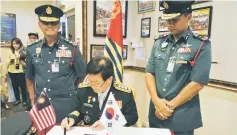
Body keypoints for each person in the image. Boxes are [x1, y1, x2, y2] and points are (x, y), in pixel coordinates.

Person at [145, 1, 212, 135]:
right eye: (167, 20)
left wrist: (169, 107)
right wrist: (156, 101)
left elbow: (198, 83)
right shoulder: (159, 43)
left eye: (175, 19)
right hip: (156, 114)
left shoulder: (200, 45)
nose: (170, 24)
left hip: (181, 117)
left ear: (189, 17)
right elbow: (149, 73)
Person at [25, 5, 86, 123]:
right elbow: (29, 77)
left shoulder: (72, 48)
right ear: (40, 24)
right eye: (45, 22)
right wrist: (32, 100)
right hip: (42, 104)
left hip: (66, 104)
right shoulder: (32, 49)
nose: (50, 26)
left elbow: (82, 76)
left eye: (53, 23)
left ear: (58, 24)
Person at [61, 56, 138, 130]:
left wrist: (109, 123)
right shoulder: (83, 90)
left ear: (109, 79)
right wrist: (71, 119)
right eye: (90, 81)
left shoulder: (123, 93)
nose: (92, 86)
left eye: (96, 83)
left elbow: (132, 117)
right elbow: (77, 110)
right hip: (91, 131)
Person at [7, 37, 27, 106]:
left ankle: (24, 100)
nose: (15, 45)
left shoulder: (23, 50)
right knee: (15, 86)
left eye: (17, 44)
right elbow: (7, 61)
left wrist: (20, 56)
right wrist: (10, 61)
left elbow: (26, 57)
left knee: (23, 87)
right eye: (13, 44)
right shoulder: (10, 51)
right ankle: (17, 100)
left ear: (20, 44)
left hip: (21, 72)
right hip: (12, 72)